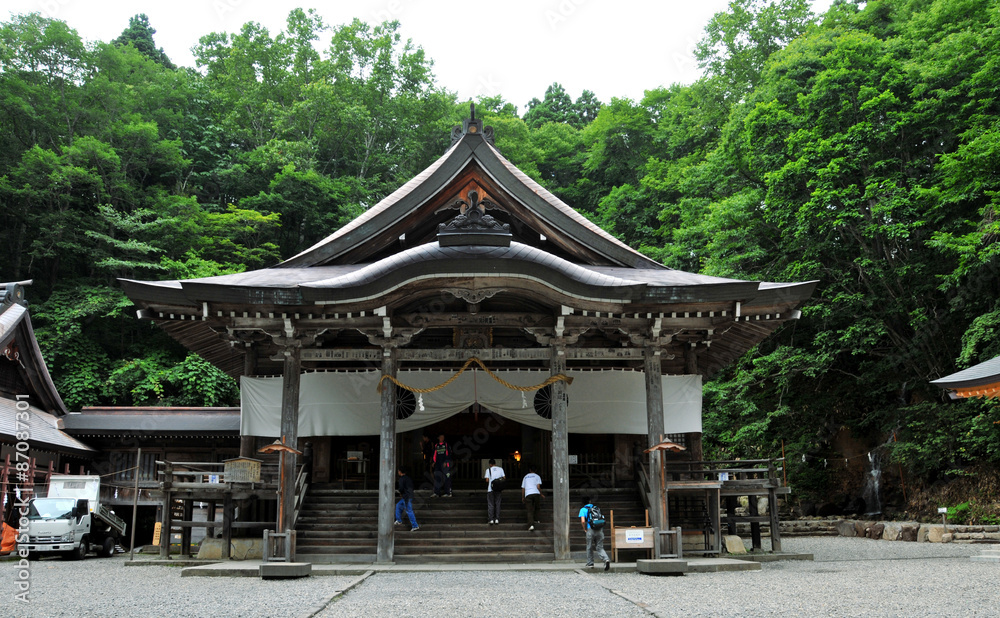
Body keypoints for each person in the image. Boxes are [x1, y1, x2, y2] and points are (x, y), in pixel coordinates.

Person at [579, 497, 610, 570]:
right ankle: (606, 559)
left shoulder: (583, 509)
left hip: (590, 530)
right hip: (599, 530)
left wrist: (585, 529)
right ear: (590, 501)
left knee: (589, 547)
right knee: (600, 547)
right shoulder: (596, 508)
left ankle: (590, 563)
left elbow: (583, 521)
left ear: (583, 503)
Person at [521, 464, 543, 530]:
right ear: (535, 470)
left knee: (529, 510)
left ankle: (531, 525)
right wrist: (541, 493)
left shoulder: (525, 477)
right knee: (537, 507)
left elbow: (523, 488)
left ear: (530, 470)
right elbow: (538, 487)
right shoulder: (537, 476)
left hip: (528, 494)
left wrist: (523, 497)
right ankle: (537, 519)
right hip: (536, 493)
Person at [484, 458, 506, 525]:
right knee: (498, 504)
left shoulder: (488, 470)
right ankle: (497, 519)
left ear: (490, 464)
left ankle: (491, 519)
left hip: (491, 489)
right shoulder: (500, 469)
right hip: (498, 489)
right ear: (495, 463)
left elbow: (487, 480)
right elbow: (504, 478)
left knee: (491, 504)